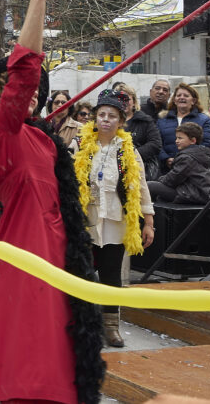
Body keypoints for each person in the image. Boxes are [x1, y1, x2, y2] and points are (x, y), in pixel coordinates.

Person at [0, 0, 105, 404]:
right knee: (30, 374)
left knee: (63, 372)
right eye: (10, 90)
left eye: (32, 92)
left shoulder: (44, 140)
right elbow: (25, 69)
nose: (25, 93)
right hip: (27, 262)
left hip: (62, 261)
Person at [71, 88, 154, 349]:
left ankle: (111, 327)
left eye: (112, 116)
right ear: (94, 119)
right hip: (87, 220)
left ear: (120, 121)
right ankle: (83, 325)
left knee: (111, 275)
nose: (106, 120)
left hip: (115, 222)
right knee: (82, 273)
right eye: (101, 115)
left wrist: (149, 221)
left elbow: (141, 186)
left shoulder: (127, 149)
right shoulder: (80, 144)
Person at [148, 122, 210, 205]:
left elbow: (172, 179)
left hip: (192, 194)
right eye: (176, 138)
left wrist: (160, 180)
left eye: (180, 138)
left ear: (193, 140)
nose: (176, 141)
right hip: (196, 193)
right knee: (159, 195)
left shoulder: (188, 157)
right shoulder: (196, 154)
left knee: (150, 186)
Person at [157, 83, 210, 174]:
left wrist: (186, 160)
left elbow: (208, 144)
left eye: (186, 95)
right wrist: (166, 158)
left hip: (194, 170)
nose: (181, 97)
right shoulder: (163, 120)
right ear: (174, 100)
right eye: (178, 95)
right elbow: (157, 142)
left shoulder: (204, 120)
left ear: (193, 101)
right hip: (167, 170)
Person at [113, 82, 163, 182]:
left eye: (127, 99)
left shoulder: (145, 120)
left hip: (140, 171)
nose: (124, 102)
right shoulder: (111, 122)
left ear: (134, 102)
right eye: (120, 99)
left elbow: (155, 144)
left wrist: (132, 155)